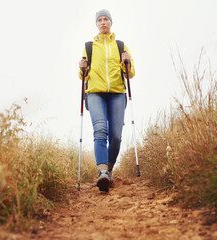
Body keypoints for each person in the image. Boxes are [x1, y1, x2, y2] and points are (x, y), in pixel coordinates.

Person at [78, 9, 135, 192]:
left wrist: (127, 62)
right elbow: (83, 76)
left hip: (117, 93)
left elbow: (130, 73)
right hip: (95, 93)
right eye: (100, 20)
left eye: (106, 19)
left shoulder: (120, 46)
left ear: (111, 22)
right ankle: (102, 172)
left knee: (116, 136)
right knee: (100, 129)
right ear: (96, 23)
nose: (103, 22)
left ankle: (109, 169)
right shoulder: (89, 47)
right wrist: (82, 68)